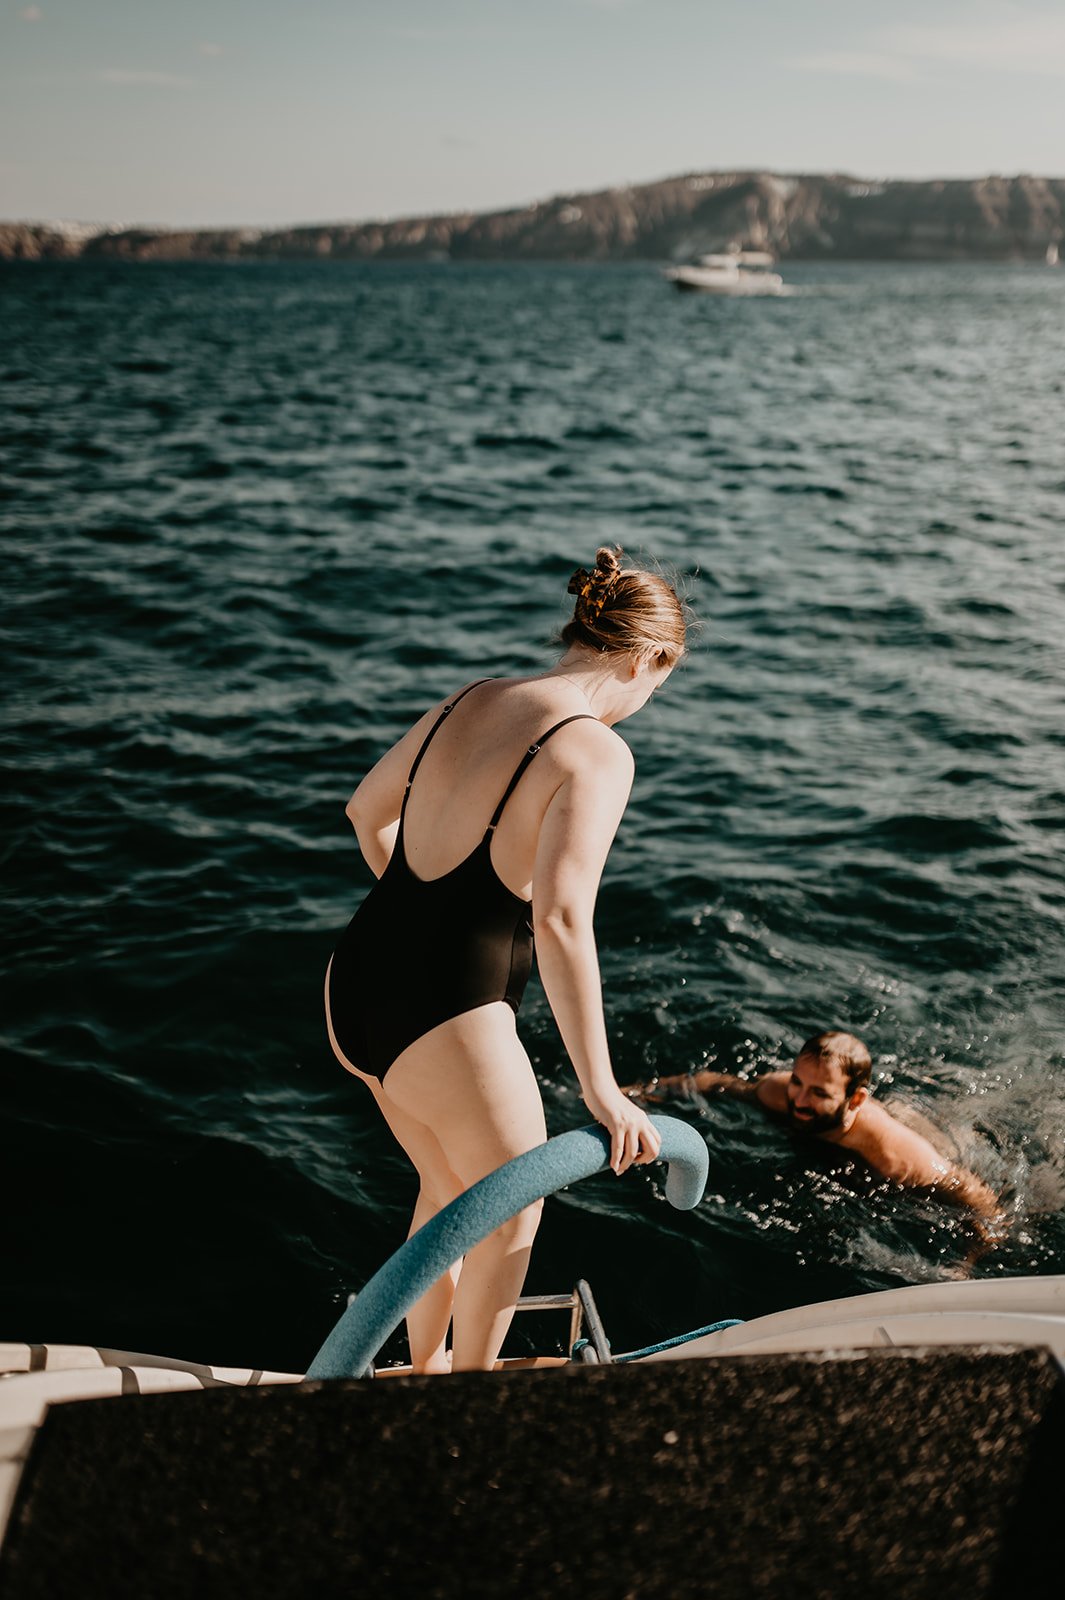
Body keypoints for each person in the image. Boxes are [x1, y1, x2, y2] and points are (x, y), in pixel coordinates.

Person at [324, 547, 686, 1373]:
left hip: (354, 983)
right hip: (445, 1015)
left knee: (448, 1192)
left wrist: (430, 917)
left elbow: (362, 811)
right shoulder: (595, 751)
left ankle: (420, 1374)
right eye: (659, 683)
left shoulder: (473, 696)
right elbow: (559, 918)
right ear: (645, 658)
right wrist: (601, 1090)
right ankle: (465, 1401)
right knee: (510, 1213)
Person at [625, 1030, 1004, 1243]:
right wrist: (637, 1093)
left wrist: (968, 1259)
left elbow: (981, 1201)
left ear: (855, 1099)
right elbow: (714, 1083)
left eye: (820, 1093)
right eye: (797, 1082)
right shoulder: (781, 1093)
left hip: (903, 1150)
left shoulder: (898, 1155)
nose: (800, 1102)